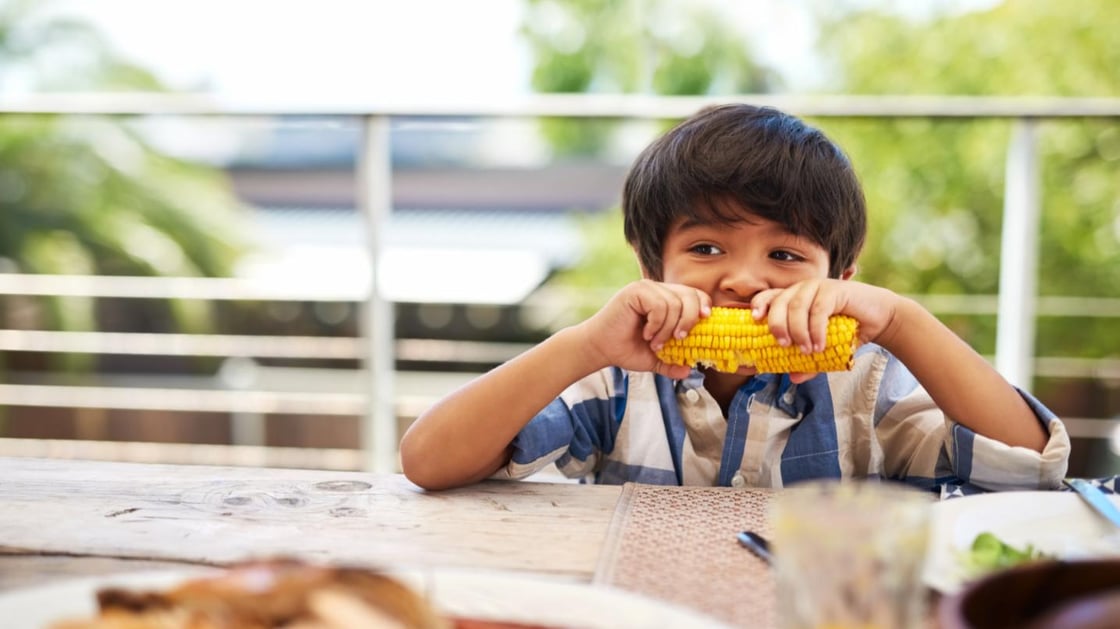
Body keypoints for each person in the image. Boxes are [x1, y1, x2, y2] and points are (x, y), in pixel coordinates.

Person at [399, 103, 1070, 492]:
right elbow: (429, 461)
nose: (745, 280)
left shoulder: (867, 383)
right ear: (649, 265)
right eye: (707, 249)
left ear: (840, 278)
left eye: (784, 255)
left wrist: (902, 320)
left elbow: (1028, 468)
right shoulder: (614, 379)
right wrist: (582, 344)